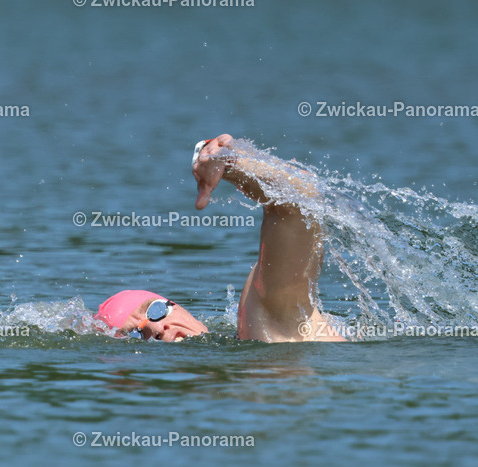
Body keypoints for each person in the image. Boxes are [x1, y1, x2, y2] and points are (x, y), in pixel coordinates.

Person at [96, 134, 344, 343]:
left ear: (177, 306)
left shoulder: (260, 321)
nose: (157, 330)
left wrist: (234, 164)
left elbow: (300, 204)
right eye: (137, 335)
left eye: (156, 311)